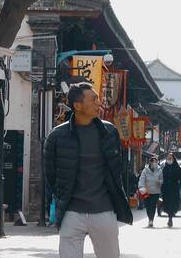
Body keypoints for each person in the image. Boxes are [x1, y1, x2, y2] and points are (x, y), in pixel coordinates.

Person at [44, 82, 132, 258]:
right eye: (94, 99)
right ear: (77, 105)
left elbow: (119, 169)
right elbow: (51, 175)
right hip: (72, 213)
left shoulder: (109, 132)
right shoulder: (56, 136)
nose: (99, 103)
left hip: (104, 211)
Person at [161, 153, 181, 227]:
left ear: (173, 159)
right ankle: (170, 216)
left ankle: (170, 218)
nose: (169, 160)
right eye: (168, 159)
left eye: (170, 159)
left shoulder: (177, 168)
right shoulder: (164, 168)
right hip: (165, 189)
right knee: (167, 203)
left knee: (172, 203)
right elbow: (160, 178)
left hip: (174, 188)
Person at [138, 156, 163, 227]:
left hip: (156, 191)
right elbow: (142, 179)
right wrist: (141, 187)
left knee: (152, 205)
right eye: (153, 161)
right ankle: (150, 218)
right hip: (146, 191)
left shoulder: (159, 170)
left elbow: (162, 180)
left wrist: (159, 182)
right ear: (150, 162)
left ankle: (151, 220)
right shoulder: (145, 170)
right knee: (148, 206)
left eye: (156, 162)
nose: (154, 163)